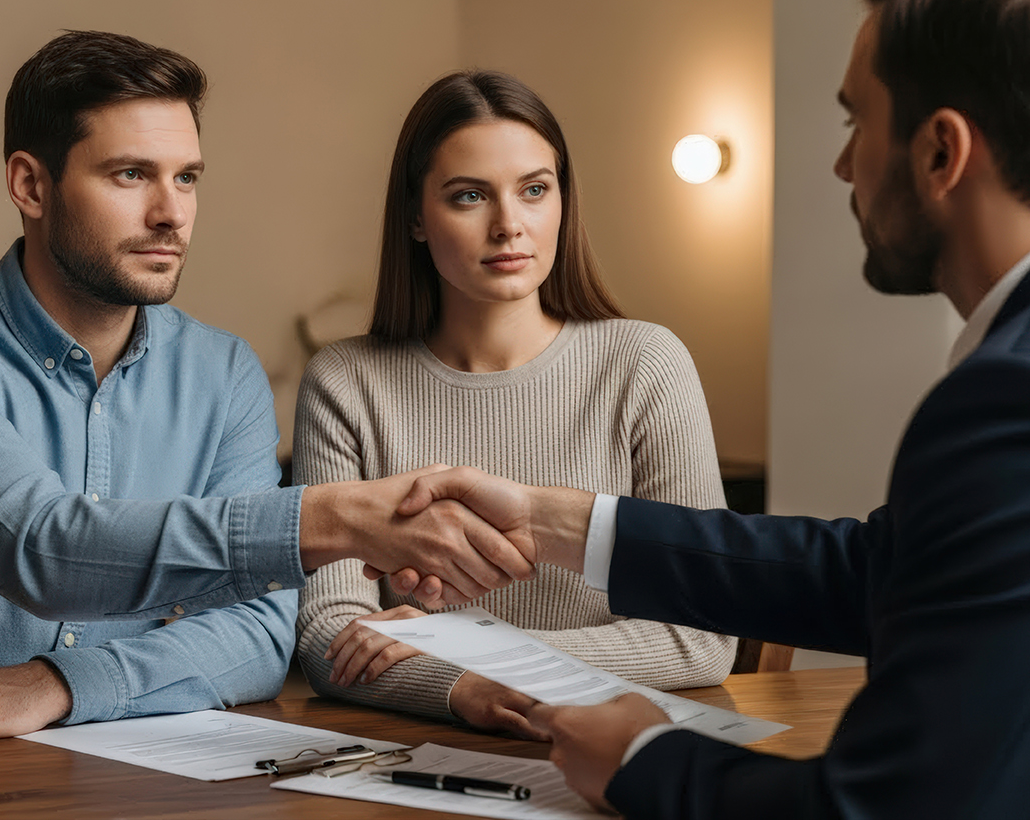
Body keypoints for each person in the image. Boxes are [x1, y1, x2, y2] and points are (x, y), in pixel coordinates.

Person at [394, 0, 1030, 816]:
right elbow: (882, 572)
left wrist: (641, 759)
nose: (844, 162)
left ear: (940, 153)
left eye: (856, 122)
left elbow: (884, 808)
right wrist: (555, 522)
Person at [0, 30, 535, 751]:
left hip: (116, 776)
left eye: (186, 177)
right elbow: (42, 550)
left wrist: (57, 684)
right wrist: (336, 516)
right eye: (131, 175)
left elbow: (255, 634)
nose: (172, 213)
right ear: (30, 185)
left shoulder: (223, 375)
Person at [293, 70, 735, 737]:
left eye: (534, 189)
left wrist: (478, 651)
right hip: (426, 755)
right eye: (469, 196)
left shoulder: (646, 364)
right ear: (416, 216)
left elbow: (699, 639)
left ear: (563, 199)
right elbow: (332, 635)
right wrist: (459, 686)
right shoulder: (345, 381)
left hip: (618, 746)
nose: (509, 225)